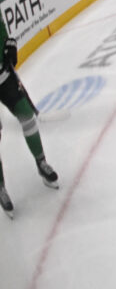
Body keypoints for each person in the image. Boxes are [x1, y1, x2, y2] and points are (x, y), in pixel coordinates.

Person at [0, 19, 59, 218]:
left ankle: (41, 163)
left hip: (4, 77)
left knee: (26, 116)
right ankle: (1, 188)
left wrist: (9, 44)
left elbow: (2, 28)